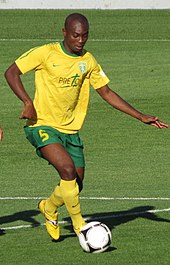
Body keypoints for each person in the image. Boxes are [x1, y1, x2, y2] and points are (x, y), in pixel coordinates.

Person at [4, 13, 168, 241]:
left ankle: (49, 208)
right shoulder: (45, 53)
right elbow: (11, 72)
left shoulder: (88, 61)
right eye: (75, 35)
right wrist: (27, 102)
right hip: (41, 125)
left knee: (75, 185)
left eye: (85, 35)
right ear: (64, 32)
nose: (80, 40)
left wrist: (140, 116)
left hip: (71, 131)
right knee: (67, 171)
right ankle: (81, 226)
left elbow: (107, 93)